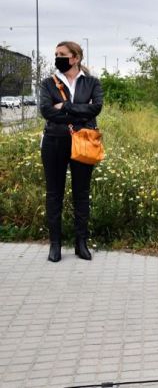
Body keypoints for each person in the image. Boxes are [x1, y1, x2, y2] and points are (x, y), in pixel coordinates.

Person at [39, 41, 103, 262]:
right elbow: (46, 111)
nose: (57, 57)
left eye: (62, 54)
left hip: (84, 142)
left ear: (75, 58)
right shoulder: (48, 83)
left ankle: (81, 244)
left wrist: (65, 106)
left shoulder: (92, 82)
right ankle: (55, 245)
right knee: (54, 194)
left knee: (81, 194)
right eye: (56, 54)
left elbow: (96, 108)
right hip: (54, 142)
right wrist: (79, 113)